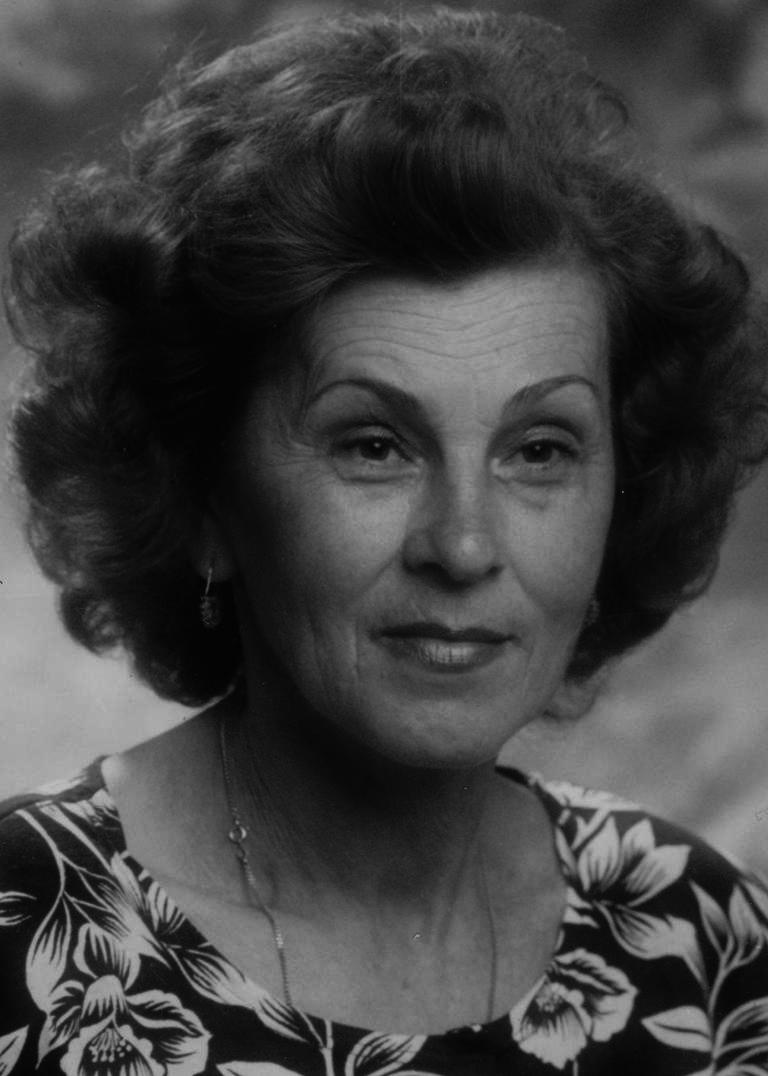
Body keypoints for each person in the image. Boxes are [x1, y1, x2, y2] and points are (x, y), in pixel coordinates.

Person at [2, 8, 768, 1074]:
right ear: (201, 493)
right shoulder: (20, 933)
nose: (464, 544)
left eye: (539, 450)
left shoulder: (704, 938)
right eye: (374, 445)